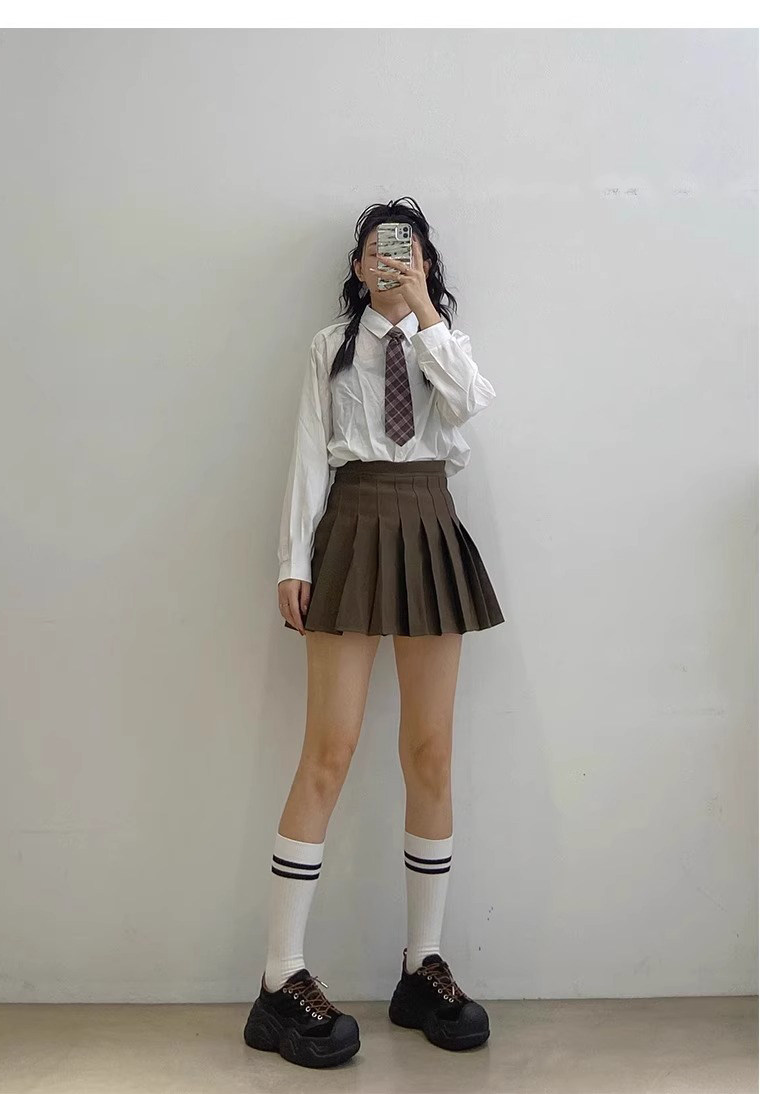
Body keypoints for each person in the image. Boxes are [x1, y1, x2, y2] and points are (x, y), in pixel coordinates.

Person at [243, 197, 505, 1069]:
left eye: (409, 251)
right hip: (352, 528)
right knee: (329, 749)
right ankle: (280, 977)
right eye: (379, 251)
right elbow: (307, 453)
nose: (392, 261)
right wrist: (293, 560)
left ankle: (422, 966)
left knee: (431, 753)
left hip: (430, 526)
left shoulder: (443, 343)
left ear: (425, 263)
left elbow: (469, 404)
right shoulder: (330, 346)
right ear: (358, 267)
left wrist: (425, 313)